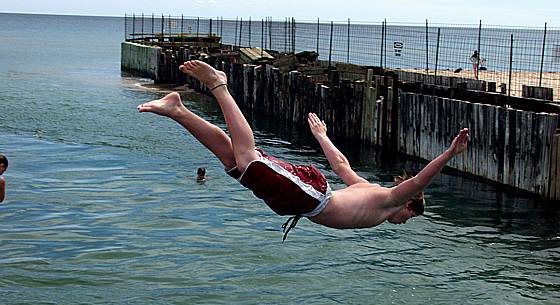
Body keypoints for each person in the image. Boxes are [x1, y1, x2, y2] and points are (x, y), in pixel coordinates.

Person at [137, 60, 469, 240]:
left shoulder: (370, 189)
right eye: (410, 216)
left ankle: (178, 109)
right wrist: (449, 154)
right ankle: (218, 84)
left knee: (233, 162)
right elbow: (419, 182)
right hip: (312, 197)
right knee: (248, 158)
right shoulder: (389, 200)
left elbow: (340, 165)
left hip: (306, 198)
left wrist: (322, 136)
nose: (404, 221)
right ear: (407, 204)